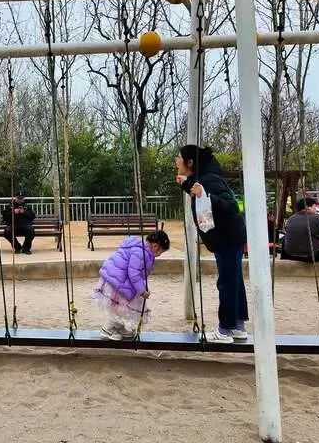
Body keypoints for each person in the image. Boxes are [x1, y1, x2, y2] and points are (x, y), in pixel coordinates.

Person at [176, 145, 248, 344]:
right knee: (234, 280)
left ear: (190, 162)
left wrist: (204, 194)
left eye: (179, 157)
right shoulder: (205, 177)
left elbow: (230, 205)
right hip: (228, 237)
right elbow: (199, 191)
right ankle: (238, 326)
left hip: (227, 237)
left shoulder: (209, 180)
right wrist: (187, 185)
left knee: (226, 282)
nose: (176, 161)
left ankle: (225, 330)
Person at [92, 230, 171, 341]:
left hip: (122, 279)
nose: (159, 255)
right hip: (117, 281)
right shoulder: (140, 253)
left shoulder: (145, 252)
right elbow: (134, 273)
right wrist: (142, 291)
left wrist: (143, 288)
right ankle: (107, 329)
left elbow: (140, 274)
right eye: (160, 252)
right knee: (119, 307)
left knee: (123, 307)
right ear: (155, 246)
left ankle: (120, 328)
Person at [281, 197, 319, 262]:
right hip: (310, 256)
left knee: (284, 238)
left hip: (289, 255)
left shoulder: (290, 219)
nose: (315, 209)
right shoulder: (316, 218)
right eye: (314, 207)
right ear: (308, 207)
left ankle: (283, 258)